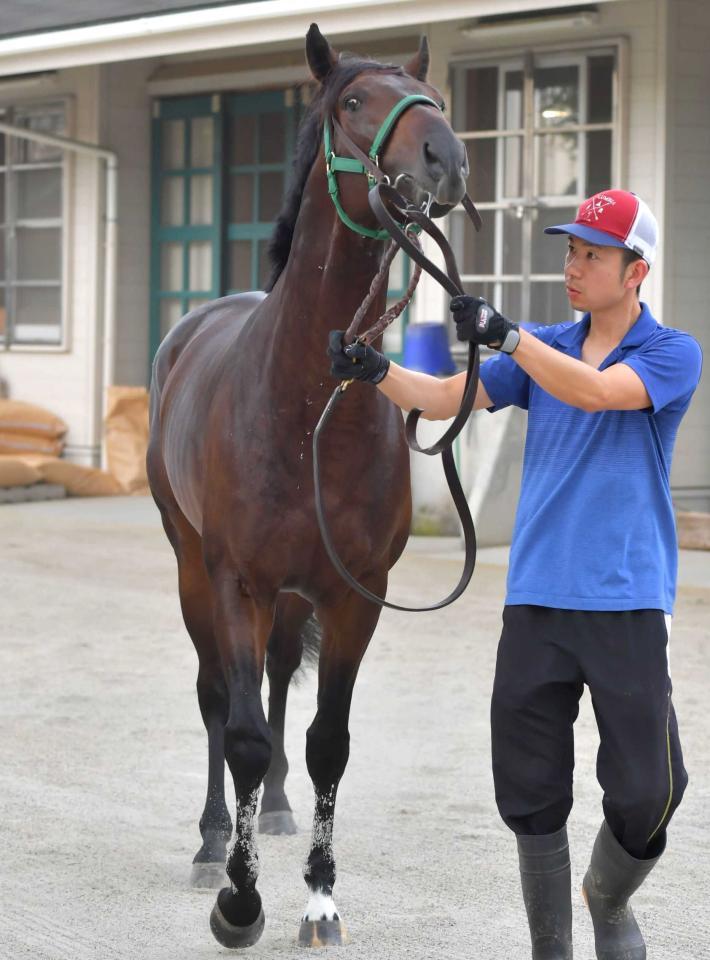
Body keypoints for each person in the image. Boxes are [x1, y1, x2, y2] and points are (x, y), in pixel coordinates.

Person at [327, 188, 703, 960]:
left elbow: (597, 395)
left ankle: (608, 894)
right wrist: (375, 369)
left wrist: (508, 336)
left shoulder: (672, 353)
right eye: (570, 251)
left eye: (592, 254)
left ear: (636, 271)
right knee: (529, 787)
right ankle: (551, 946)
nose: (574, 265)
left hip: (626, 599)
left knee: (648, 791)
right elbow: (441, 396)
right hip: (535, 598)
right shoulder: (546, 345)